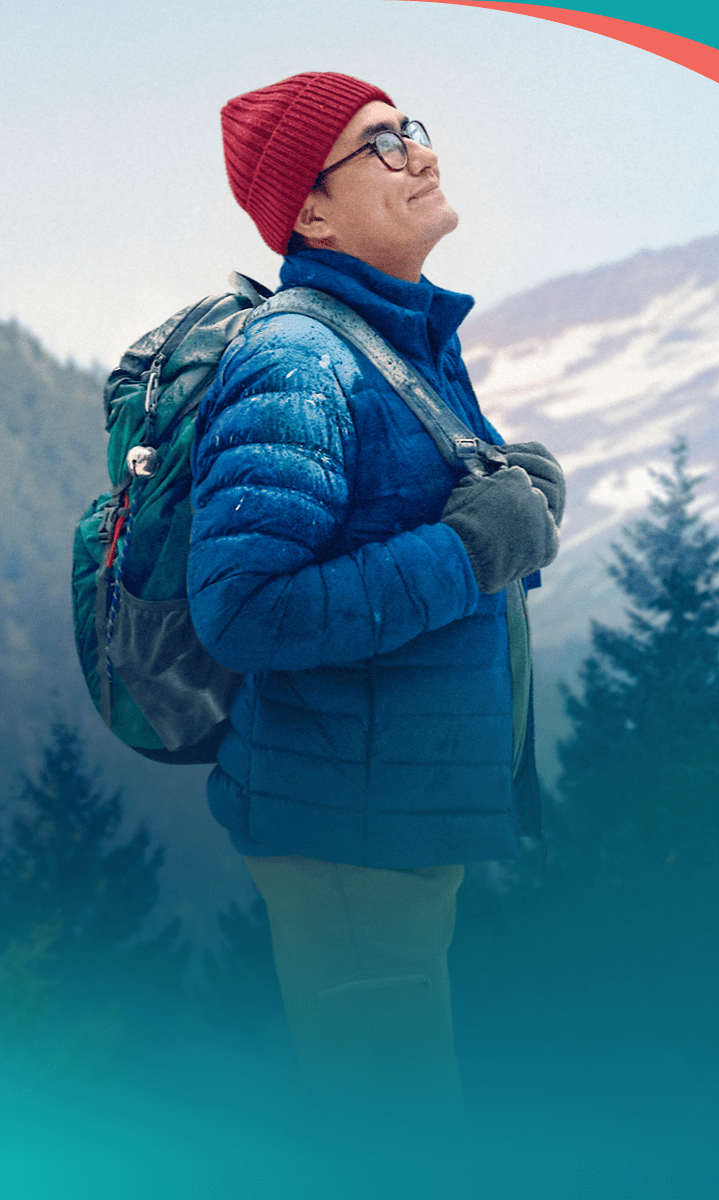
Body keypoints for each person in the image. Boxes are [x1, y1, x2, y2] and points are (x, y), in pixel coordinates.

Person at [186, 71, 564, 1137]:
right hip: (347, 845)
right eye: (382, 144)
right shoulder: (299, 360)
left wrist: (516, 511)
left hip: (388, 825)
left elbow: (418, 537)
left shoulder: (399, 344)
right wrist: (472, 548)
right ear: (309, 212)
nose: (422, 153)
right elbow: (247, 611)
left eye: (413, 130)